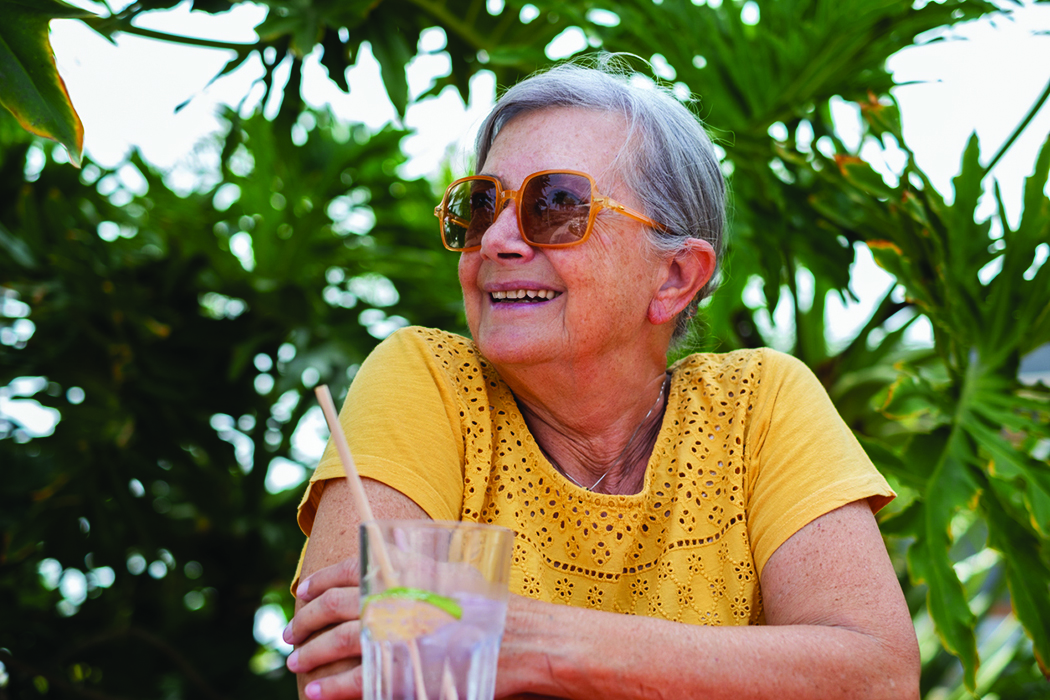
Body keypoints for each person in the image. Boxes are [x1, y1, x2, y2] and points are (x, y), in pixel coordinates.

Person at [283, 59, 920, 700]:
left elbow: (879, 677)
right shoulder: (429, 380)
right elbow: (348, 668)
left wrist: (540, 646)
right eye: (481, 206)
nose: (497, 240)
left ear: (674, 277)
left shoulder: (758, 404)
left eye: (555, 205)